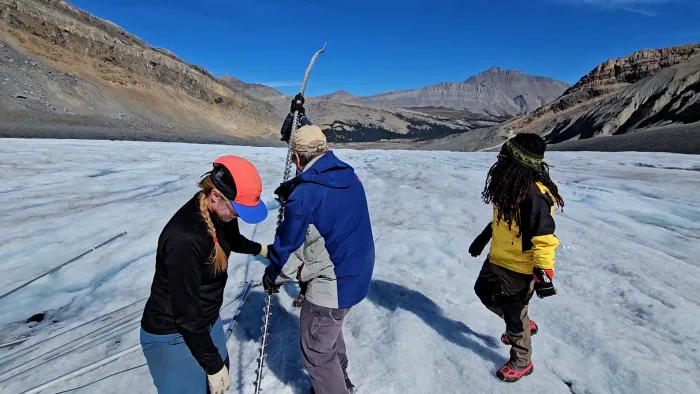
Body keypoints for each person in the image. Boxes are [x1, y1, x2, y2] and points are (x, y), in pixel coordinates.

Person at [262, 117, 375, 394]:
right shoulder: (347, 174)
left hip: (333, 284)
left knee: (316, 351)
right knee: (328, 335)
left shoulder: (306, 195)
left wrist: (272, 276)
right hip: (357, 272)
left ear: (298, 159)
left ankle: (333, 387)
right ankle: (340, 380)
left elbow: (287, 247)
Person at [140, 155, 269, 394]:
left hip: (206, 321)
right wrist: (211, 364)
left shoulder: (220, 212)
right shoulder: (185, 238)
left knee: (218, 379)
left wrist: (260, 249)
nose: (237, 217)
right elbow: (186, 315)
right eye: (237, 211)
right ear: (215, 195)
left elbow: (230, 240)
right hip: (173, 335)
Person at [468, 133, 564, 383]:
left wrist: (544, 273)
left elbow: (544, 237)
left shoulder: (534, 194)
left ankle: (522, 360)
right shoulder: (511, 183)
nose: (499, 159)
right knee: (483, 290)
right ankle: (522, 323)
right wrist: (484, 236)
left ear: (518, 162)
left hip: (519, 267)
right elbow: (507, 221)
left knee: (513, 312)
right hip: (499, 256)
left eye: (505, 156)